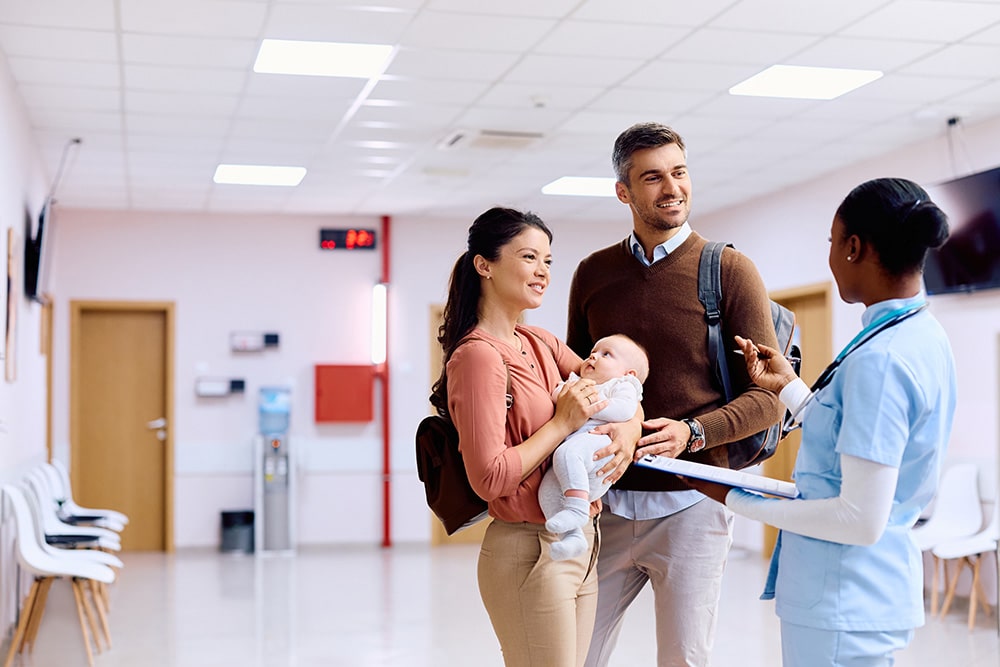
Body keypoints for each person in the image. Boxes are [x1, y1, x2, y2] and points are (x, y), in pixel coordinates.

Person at [685, 177, 956, 666]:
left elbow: (858, 519)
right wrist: (787, 385)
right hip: (861, 594)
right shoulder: (917, 333)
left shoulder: (884, 358)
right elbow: (848, 436)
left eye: (832, 243)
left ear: (855, 248)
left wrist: (734, 497)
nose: (830, 257)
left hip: (843, 596)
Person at [567, 122, 783, 667]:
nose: (672, 188)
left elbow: (770, 399)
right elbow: (573, 385)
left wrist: (693, 431)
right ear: (624, 192)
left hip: (692, 507)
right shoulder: (592, 275)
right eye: (653, 177)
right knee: (572, 655)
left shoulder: (729, 270)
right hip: (605, 505)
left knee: (684, 660)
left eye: (680, 172)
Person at [432, 206, 641, 667]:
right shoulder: (478, 358)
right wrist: (563, 425)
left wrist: (628, 425)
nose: (543, 271)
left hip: (581, 538)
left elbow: (620, 387)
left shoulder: (540, 342)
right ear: (484, 265)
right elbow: (489, 478)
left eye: (548, 260)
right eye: (529, 257)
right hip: (528, 548)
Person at [540, 334, 649, 561]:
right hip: (578, 466)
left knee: (566, 454)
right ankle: (572, 536)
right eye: (594, 351)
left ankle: (577, 510)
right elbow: (556, 395)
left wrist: (582, 406)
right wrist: (565, 395)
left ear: (629, 373)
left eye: (606, 354)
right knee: (547, 491)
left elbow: (624, 411)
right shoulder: (577, 382)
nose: (593, 356)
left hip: (601, 446)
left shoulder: (621, 385)